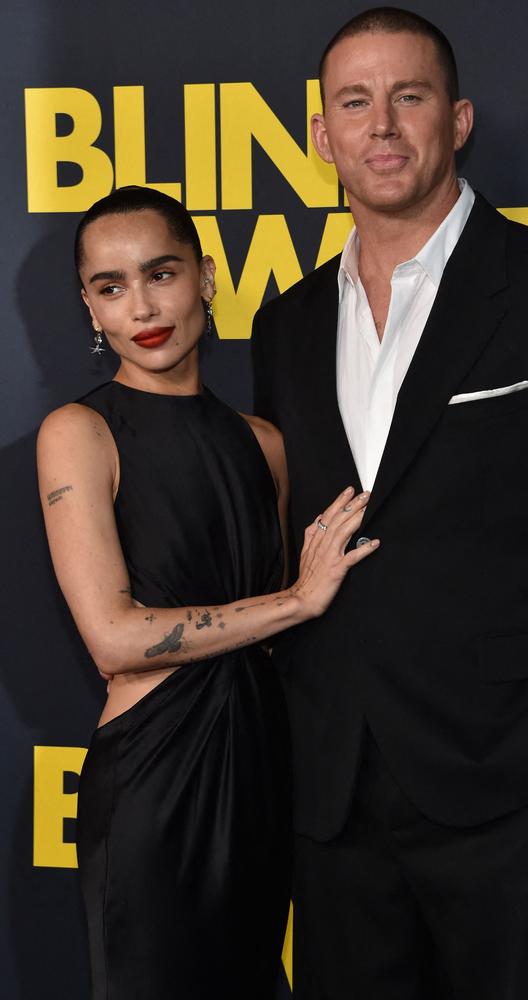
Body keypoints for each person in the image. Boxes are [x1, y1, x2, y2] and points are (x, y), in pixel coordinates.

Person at [252, 7, 528, 999]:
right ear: (319, 136)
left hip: (520, 789)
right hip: (336, 801)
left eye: (408, 96)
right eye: (354, 102)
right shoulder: (284, 324)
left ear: (458, 118)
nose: (381, 125)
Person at [36, 185, 378, 1000]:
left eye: (162, 274)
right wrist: (295, 599)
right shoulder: (78, 434)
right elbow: (114, 637)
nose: (142, 307)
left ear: (206, 279)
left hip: (259, 772)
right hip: (156, 783)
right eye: (110, 287)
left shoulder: (265, 447)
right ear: (88, 307)